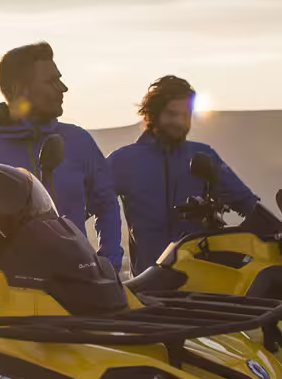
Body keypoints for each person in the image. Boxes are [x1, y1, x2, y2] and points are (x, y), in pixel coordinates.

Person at [0, 42, 122, 272]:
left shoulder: (78, 141)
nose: (62, 88)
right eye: (51, 81)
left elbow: (106, 204)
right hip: (11, 298)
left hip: (77, 290)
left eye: (60, 79)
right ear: (19, 90)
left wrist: (111, 263)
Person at [107, 75, 268, 272]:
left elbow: (247, 204)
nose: (180, 122)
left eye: (186, 115)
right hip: (149, 283)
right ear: (153, 114)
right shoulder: (123, 161)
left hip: (202, 281)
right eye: (172, 114)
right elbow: (88, 207)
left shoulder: (204, 155)